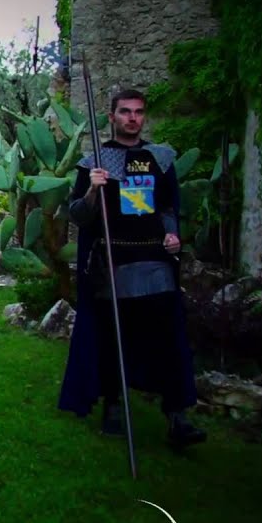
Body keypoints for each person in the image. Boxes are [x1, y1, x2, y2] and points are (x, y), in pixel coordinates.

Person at [57, 88, 206, 447]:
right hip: (113, 262)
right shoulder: (94, 163)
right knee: (114, 340)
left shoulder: (160, 159)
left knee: (168, 341)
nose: (132, 118)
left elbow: (168, 207)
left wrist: (172, 235)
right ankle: (112, 405)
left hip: (155, 261)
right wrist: (92, 190)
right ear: (112, 117)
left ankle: (177, 416)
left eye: (138, 112)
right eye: (125, 112)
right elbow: (78, 215)